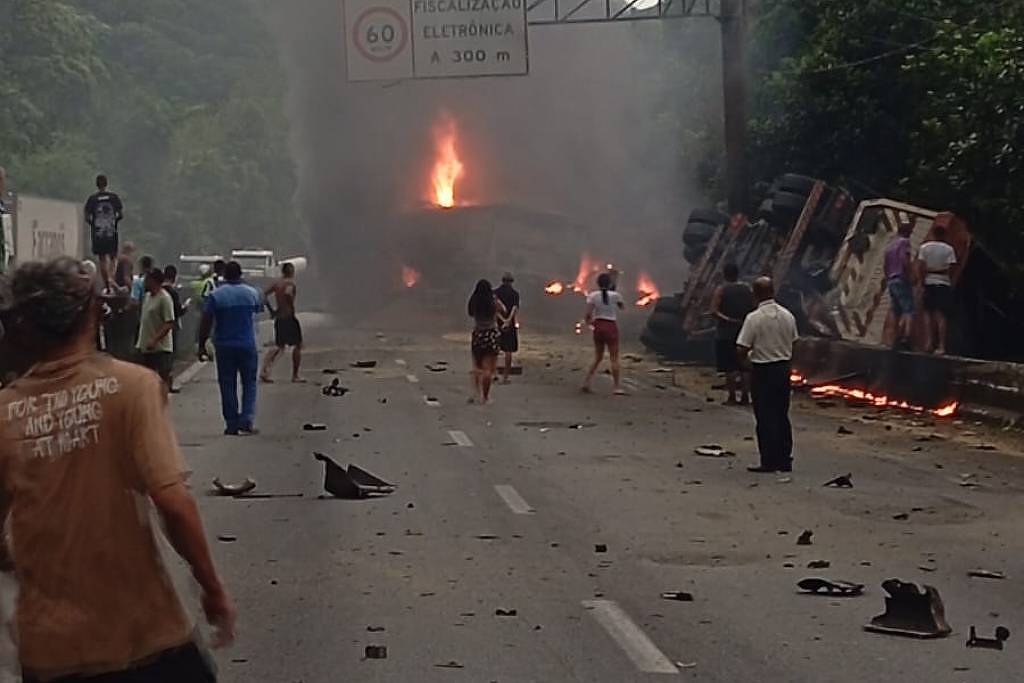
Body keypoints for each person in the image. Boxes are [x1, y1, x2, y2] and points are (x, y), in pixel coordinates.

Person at [0, 257, 235, 682]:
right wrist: (212, 589)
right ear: (92, 313)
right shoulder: (132, 388)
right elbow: (173, 501)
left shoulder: (6, 412)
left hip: (51, 649)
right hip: (142, 633)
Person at [736, 276, 799, 473]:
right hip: (782, 370)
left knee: (764, 417)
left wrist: (746, 364)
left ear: (755, 294)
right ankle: (784, 459)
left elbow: (741, 347)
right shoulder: (788, 315)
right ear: (773, 291)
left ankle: (769, 461)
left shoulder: (754, 318)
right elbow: (795, 342)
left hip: (763, 370)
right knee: (781, 415)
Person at [198, 261, 263, 435]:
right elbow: (258, 310)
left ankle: (232, 422)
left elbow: (206, 321)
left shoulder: (216, 295)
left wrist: (202, 343)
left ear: (225, 275)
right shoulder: (252, 293)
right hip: (247, 344)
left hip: (224, 346)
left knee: (227, 384)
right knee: (249, 383)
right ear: (241, 274)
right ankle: (247, 419)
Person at [710, 263, 754, 404]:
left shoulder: (721, 289)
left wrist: (728, 319)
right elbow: (754, 306)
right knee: (745, 366)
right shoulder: (748, 289)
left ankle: (732, 397)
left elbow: (714, 310)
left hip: (725, 333)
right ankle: (746, 397)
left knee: (729, 366)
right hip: (745, 331)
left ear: (724, 274)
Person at [581, 272, 626, 395]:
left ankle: (587, 382)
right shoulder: (616, 295)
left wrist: (591, 324)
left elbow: (588, 315)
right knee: (614, 358)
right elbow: (622, 307)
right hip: (611, 326)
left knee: (598, 357)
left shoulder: (593, 295)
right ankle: (616, 387)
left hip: (599, 325)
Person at [917, 225, 957, 355]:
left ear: (933, 234)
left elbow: (921, 267)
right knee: (941, 316)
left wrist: (922, 283)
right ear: (944, 235)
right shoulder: (949, 249)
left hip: (928, 282)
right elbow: (951, 269)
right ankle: (941, 346)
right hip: (943, 283)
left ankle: (928, 343)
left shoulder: (924, 248)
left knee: (927, 314)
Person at [260, 262, 304, 383]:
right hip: (288, 316)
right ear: (292, 271)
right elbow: (288, 293)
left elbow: (263, 294)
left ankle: (265, 370)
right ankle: (295, 375)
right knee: (298, 345)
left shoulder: (277, 283)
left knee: (279, 346)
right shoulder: (290, 283)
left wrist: (272, 310)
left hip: (279, 317)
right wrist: (290, 305)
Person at [136, 268, 176, 393]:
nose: (145, 283)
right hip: (145, 346)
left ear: (155, 281)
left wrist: (155, 339)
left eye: (148, 280)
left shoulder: (164, 298)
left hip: (160, 348)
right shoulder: (147, 297)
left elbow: (169, 323)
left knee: (160, 381)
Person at [467, 279, 507, 405]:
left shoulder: (474, 301)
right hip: (491, 335)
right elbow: (504, 310)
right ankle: (485, 397)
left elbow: (470, 313)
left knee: (476, 367)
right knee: (488, 369)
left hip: (478, 334)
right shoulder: (492, 300)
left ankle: (475, 393)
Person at [84, 175, 124, 292]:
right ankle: (111, 279)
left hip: (98, 234)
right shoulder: (113, 198)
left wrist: (94, 224)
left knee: (102, 259)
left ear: (97, 184)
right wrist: (113, 222)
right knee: (114, 257)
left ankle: (107, 285)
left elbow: (86, 216)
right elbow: (121, 214)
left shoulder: (92, 199)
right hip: (111, 232)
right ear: (106, 183)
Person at [884, 220, 916, 349]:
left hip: (891, 280)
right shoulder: (904, 242)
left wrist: (888, 278)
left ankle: (892, 338)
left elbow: (885, 265)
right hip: (901, 278)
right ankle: (906, 338)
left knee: (895, 310)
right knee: (909, 310)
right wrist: (911, 274)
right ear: (909, 232)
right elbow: (904, 259)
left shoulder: (890, 246)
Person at [494, 272, 520, 384]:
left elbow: (494, 309)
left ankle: (494, 374)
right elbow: (514, 309)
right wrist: (508, 320)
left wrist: (502, 320)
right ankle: (505, 377)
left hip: (497, 323)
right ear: (511, 282)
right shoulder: (515, 294)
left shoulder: (495, 293)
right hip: (510, 325)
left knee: (494, 350)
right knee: (508, 351)